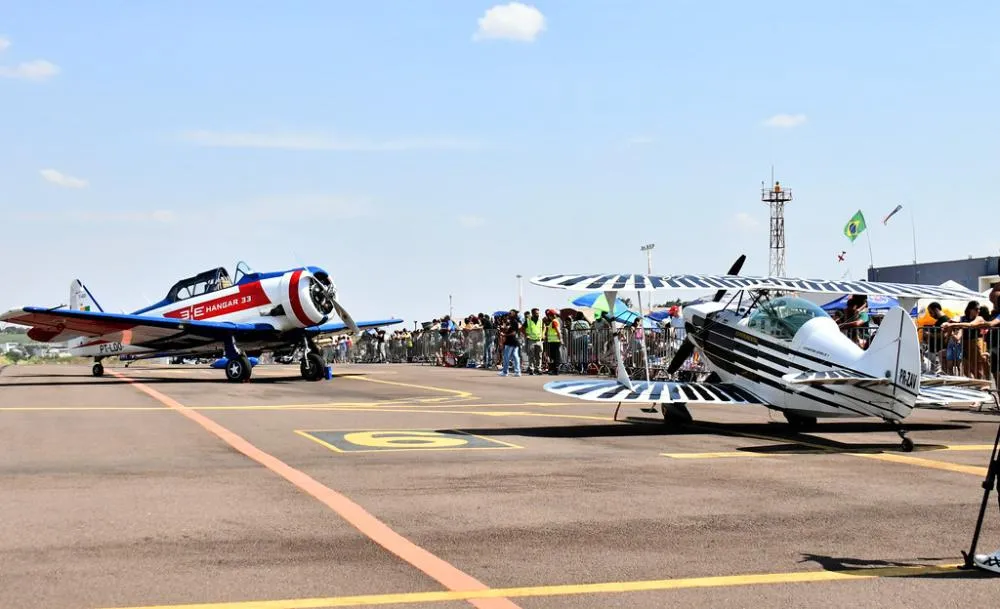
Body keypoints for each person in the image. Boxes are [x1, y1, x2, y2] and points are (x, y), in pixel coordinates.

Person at [922, 302, 951, 374]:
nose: (930, 315)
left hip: (938, 352)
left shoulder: (945, 320)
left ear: (936, 309)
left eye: (931, 312)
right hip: (934, 352)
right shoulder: (939, 321)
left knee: (938, 372)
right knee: (932, 372)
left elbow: (944, 335)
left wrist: (929, 334)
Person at [499, 310, 521, 377]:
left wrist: (504, 335)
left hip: (511, 341)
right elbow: (509, 330)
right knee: (515, 356)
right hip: (513, 341)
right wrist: (505, 328)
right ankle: (517, 372)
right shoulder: (511, 322)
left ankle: (505, 372)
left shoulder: (514, 322)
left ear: (514, 314)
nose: (508, 314)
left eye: (510, 313)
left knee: (506, 357)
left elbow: (513, 333)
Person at [523, 308, 543, 375]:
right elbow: (522, 328)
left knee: (539, 356)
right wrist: (526, 335)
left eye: (538, 313)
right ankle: (531, 369)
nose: (538, 314)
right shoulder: (528, 320)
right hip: (531, 340)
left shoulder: (540, 320)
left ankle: (538, 369)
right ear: (533, 313)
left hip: (539, 340)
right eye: (536, 313)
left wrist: (543, 335)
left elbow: (544, 327)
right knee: (531, 356)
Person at [543, 309, 562, 375]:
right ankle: (554, 370)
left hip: (555, 341)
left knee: (555, 356)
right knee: (553, 356)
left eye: (549, 315)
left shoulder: (554, 321)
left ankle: (556, 370)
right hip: (553, 341)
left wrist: (560, 339)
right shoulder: (553, 321)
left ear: (551, 315)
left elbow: (558, 331)